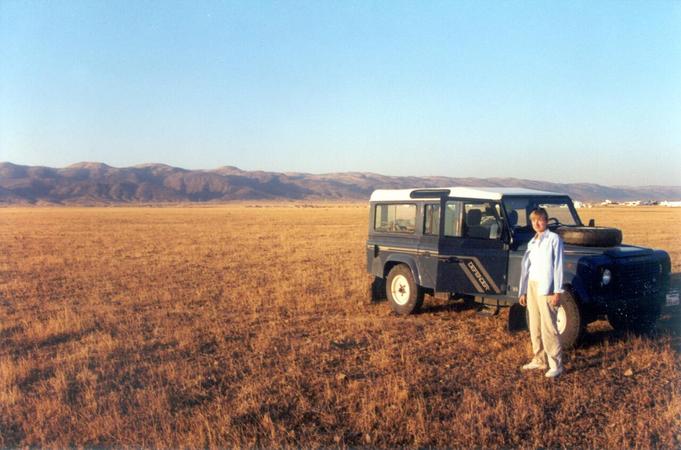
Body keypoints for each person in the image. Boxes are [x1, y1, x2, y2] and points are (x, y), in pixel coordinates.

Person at [518, 207, 565, 378]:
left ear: (546, 220)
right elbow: (526, 268)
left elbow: (558, 266)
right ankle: (539, 359)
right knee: (535, 325)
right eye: (534, 220)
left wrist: (557, 291)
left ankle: (556, 364)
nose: (537, 223)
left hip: (547, 287)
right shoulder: (532, 242)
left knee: (549, 327)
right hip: (532, 285)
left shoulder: (554, 239)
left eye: (541, 219)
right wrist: (523, 290)